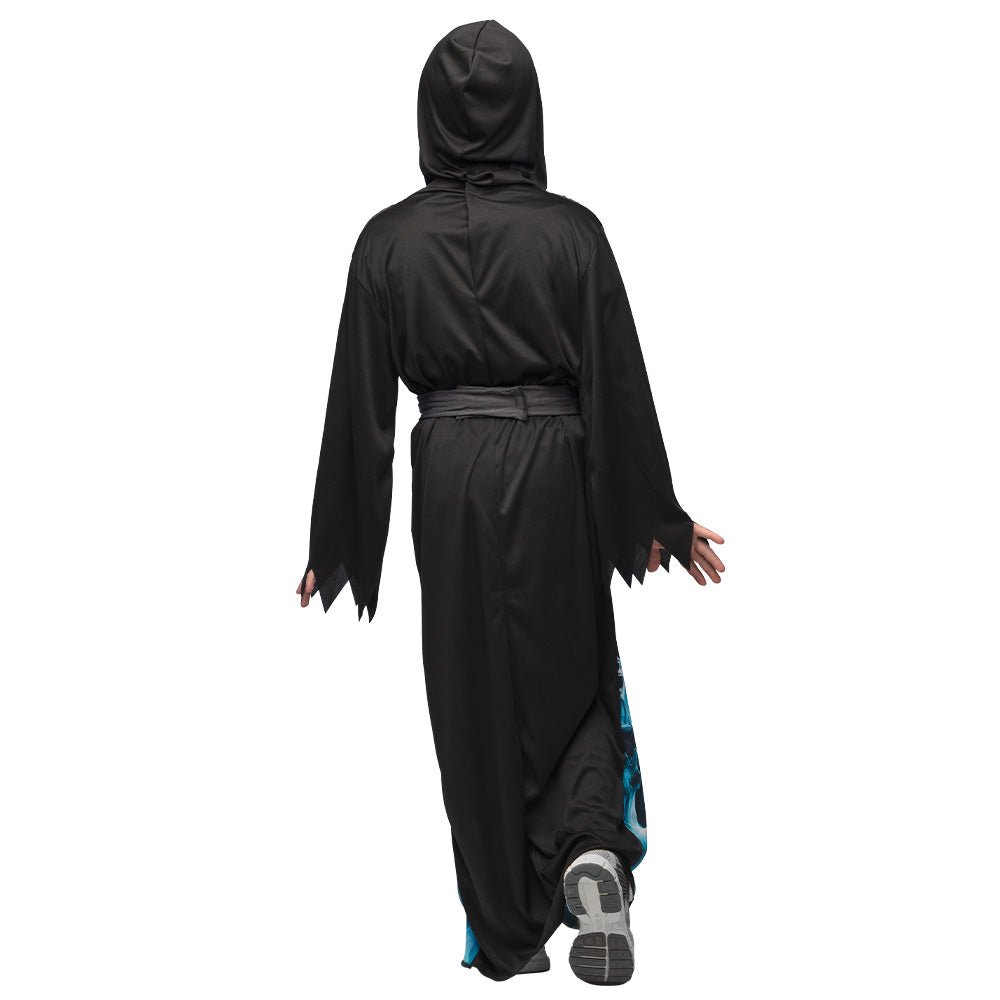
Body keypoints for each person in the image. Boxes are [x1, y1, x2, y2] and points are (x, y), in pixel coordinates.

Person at [296, 19, 725, 985]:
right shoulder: (572, 233)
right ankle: (591, 849)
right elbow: (616, 381)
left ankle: (506, 925)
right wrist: (656, 514)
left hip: (449, 472)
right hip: (556, 465)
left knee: (473, 694)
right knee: (575, 675)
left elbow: (359, 402)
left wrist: (336, 539)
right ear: (528, 109)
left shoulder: (386, 242)